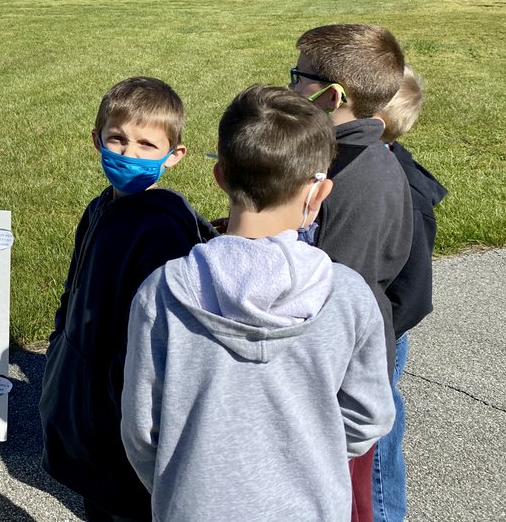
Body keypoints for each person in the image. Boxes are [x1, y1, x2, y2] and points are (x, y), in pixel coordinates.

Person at [121, 85, 395, 522]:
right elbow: (369, 416)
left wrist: (184, 486)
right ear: (319, 192)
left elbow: (141, 430)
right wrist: (310, 458)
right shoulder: (347, 295)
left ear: (221, 177)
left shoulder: (162, 292)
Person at [39, 77, 214, 522]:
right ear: (97, 139)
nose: (128, 154)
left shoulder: (163, 231)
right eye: (116, 139)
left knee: (126, 506)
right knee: (96, 501)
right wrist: (62, 340)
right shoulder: (101, 207)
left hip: (125, 410)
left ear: (174, 156)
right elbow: (73, 287)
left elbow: (161, 338)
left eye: (146, 144)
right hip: (88, 400)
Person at [290, 23, 413, 521]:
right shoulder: (343, 157)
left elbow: (339, 296)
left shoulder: (360, 179)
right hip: (330, 376)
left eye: (299, 77)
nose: (291, 87)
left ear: (331, 95)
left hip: (336, 383)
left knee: (343, 502)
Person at [372, 66, 447, 522]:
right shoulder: (361, 167)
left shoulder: (402, 190)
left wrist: (372, 333)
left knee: (378, 437)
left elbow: (414, 294)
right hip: (366, 327)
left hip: (382, 334)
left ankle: (385, 513)